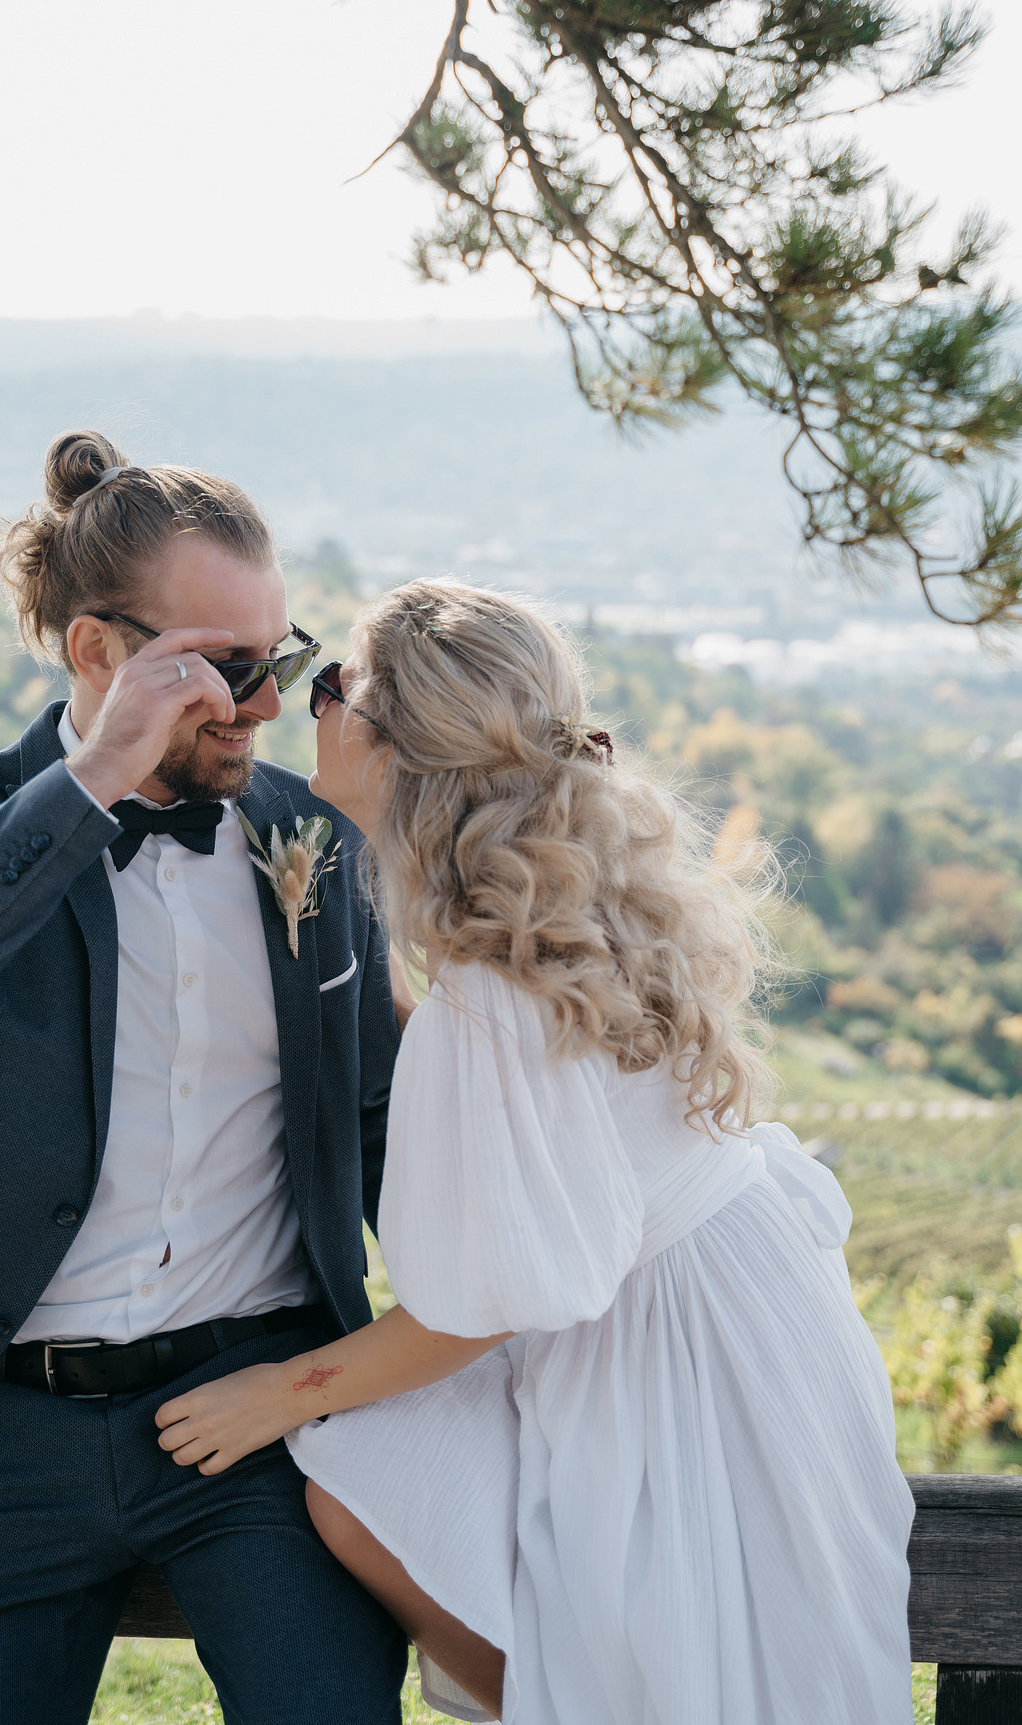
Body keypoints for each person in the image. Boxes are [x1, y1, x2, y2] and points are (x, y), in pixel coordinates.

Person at [154, 578, 917, 1725]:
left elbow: (482, 1307)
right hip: (751, 1302)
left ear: (400, 743)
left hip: (668, 1346)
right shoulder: (557, 912)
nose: (303, 704)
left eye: (332, 685)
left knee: (357, 1485)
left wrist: (276, 1392)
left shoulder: (489, 990)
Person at [0, 433, 409, 1725]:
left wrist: (503, 1336)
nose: (265, 706)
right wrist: (93, 777)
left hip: (254, 1416)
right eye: (225, 669)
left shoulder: (310, 841)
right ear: (97, 651)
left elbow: (379, 1122)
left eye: (276, 659)